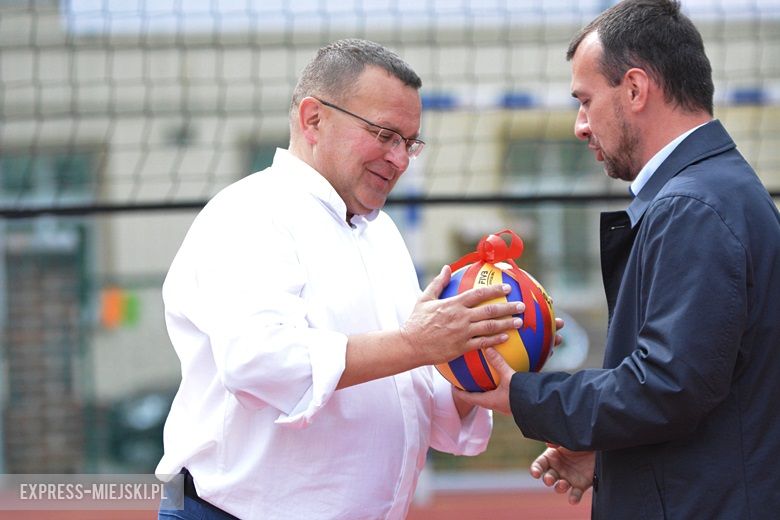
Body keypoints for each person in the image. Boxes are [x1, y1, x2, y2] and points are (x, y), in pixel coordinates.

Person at [155, 38, 525, 520]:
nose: (400, 159)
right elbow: (258, 361)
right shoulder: (251, 213)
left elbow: (410, 397)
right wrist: (419, 344)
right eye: (384, 134)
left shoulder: (380, 232)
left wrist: (479, 354)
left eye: (410, 142)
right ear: (313, 118)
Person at [458, 1, 780, 518]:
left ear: (635, 89)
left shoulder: (692, 207)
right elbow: (714, 398)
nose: (579, 126)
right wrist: (614, 460)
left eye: (584, 101)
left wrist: (521, 393)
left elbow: (667, 387)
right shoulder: (714, 192)